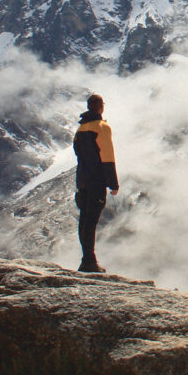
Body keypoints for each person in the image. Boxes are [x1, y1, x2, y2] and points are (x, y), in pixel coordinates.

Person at [73, 93, 119, 273]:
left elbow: (80, 156)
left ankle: (86, 258)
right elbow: (107, 157)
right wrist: (113, 184)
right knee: (92, 221)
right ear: (101, 107)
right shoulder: (102, 128)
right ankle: (89, 262)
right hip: (97, 181)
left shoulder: (81, 129)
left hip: (82, 180)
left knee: (84, 220)